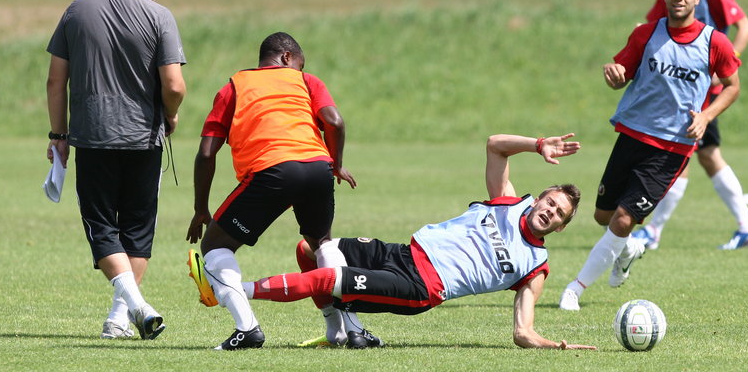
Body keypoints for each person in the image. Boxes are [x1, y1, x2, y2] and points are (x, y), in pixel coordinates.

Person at [189, 132, 597, 350]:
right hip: (403, 253)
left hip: (421, 287)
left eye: (559, 214)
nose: (550, 211)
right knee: (309, 251)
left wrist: (556, 346)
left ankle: (229, 292)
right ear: (539, 197)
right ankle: (339, 331)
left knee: (325, 279)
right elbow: (495, 144)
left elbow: (522, 331)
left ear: (560, 228)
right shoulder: (507, 200)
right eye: (550, 202)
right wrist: (538, 144)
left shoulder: (534, 267)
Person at [558, 0, 741, 312]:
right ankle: (628, 251)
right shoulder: (645, 34)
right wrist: (613, 76)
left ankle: (574, 289)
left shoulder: (713, 41)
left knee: (624, 220)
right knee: (603, 217)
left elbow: (732, 86)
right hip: (631, 135)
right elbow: (620, 75)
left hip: (672, 147)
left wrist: (706, 115)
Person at [45, 0, 186, 340]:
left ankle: (129, 313)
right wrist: (170, 115)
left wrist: (58, 134)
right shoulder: (161, 18)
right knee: (138, 230)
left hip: (92, 138)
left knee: (103, 227)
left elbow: (56, 81)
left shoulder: (77, 10)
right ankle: (122, 317)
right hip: (144, 140)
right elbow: (174, 86)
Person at [186, 31, 362, 350]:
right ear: (285, 58)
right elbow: (334, 122)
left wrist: (201, 208)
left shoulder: (233, 88)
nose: (299, 69)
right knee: (321, 242)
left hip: (273, 170)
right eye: (299, 63)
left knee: (214, 243)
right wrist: (336, 164)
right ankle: (354, 329)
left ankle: (247, 329)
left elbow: (207, 153)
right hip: (318, 167)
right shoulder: (307, 81)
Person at [632, 0, 748, 251]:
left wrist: (727, 68)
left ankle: (654, 232)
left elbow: (745, 27)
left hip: (702, 91)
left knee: (686, 155)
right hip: (680, 88)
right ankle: (747, 227)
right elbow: (650, 29)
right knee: (703, 155)